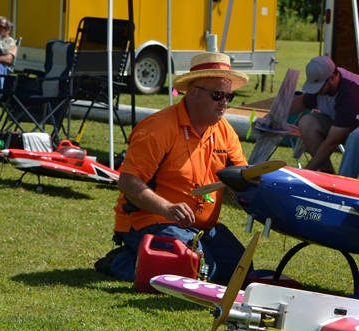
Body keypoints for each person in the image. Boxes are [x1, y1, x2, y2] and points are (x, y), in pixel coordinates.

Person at [103, 52, 250, 284]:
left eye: (228, 96)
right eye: (217, 95)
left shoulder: (224, 130)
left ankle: (154, 261)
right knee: (201, 271)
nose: (224, 103)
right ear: (193, 92)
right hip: (152, 220)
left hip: (202, 227)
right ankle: (121, 262)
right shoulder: (158, 128)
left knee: (242, 271)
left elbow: (243, 175)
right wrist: (167, 208)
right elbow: (128, 182)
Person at [288, 56, 359, 173]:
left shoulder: (351, 94)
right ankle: (327, 174)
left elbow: (332, 141)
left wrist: (304, 173)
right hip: (351, 127)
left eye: (319, 87)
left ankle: (344, 179)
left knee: (357, 136)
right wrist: (276, 113)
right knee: (307, 123)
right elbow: (302, 103)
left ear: (332, 78)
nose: (317, 91)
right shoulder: (325, 80)